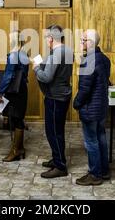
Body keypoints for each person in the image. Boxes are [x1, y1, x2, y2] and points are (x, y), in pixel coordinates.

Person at [33, 25, 73, 179]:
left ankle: (60, 166)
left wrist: (36, 68)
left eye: (46, 38)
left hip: (55, 98)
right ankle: (57, 159)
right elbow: (58, 71)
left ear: (51, 38)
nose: (46, 40)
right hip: (62, 95)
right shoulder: (67, 50)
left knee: (53, 133)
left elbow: (46, 77)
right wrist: (44, 63)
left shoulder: (57, 53)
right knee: (58, 130)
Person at [73, 30, 111, 186]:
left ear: (90, 42)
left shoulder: (88, 61)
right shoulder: (104, 59)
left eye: (83, 40)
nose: (81, 42)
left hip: (90, 109)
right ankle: (104, 171)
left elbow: (84, 89)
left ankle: (95, 174)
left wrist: (76, 103)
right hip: (101, 107)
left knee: (91, 142)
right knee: (101, 137)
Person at [0, 31, 29, 162]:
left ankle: (16, 151)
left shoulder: (13, 56)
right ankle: (19, 148)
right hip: (22, 90)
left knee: (16, 119)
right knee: (19, 119)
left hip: (14, 91)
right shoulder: (24, 54)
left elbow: (8, 76)